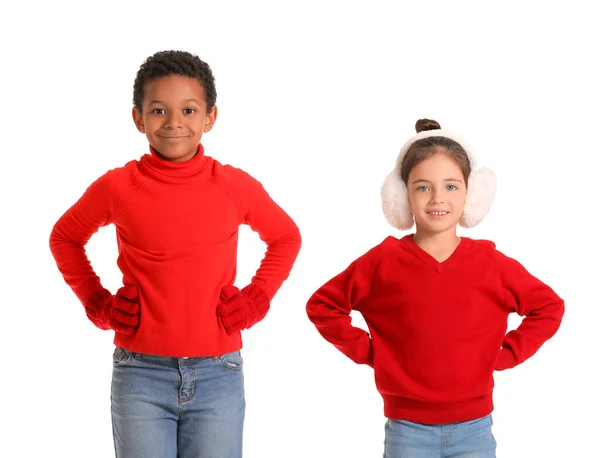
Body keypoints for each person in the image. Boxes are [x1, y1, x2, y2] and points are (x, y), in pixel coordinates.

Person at [49, 50, 301, 458]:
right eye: (159, 110)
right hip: (140, 373)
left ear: (210, 117)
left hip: (219, 371)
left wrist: (255, 300)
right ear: (139, 118)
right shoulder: (118, 187)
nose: (174, 123)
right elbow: (64, 237)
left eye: (188, 109)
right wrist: (98, 303)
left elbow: (286, 237)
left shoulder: (233, 185)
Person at [306, 119, 564, 458]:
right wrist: (374, 354)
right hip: (407, 431)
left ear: (471, 194)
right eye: (423, 187)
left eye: (451, 187)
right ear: (402, 196)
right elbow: (323, 305)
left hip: (475, 429)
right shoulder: (383, 261)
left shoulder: (491, 263)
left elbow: (548, 307)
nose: (437, 198)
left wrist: (507, 353)